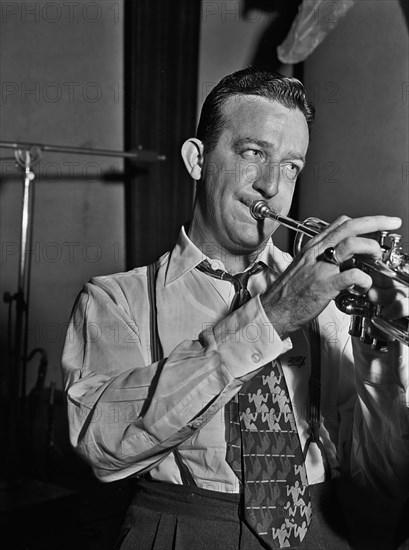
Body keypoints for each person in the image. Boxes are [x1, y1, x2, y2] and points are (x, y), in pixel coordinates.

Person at [62, 68, 409, 550]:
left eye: (291, 166)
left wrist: (383, 366)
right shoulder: (115, 299)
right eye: (253, 153)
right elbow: (100, 444)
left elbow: (382, 481)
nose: (272, 186)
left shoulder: (330, 296)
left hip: (321, 528)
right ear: (197, 159)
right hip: (182, 529)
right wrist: (269, 320)